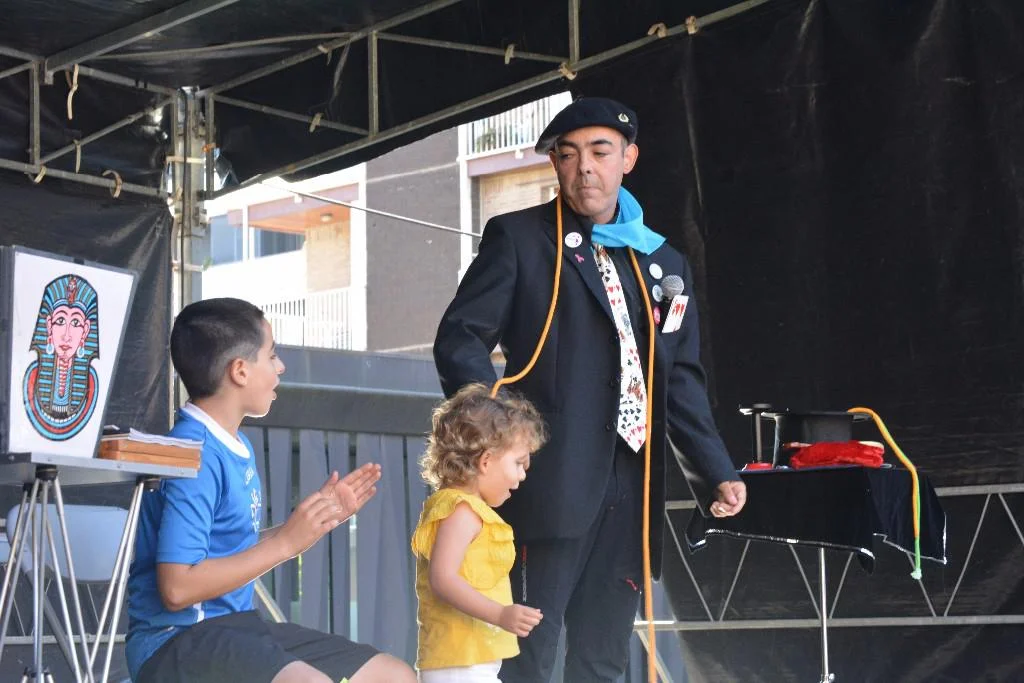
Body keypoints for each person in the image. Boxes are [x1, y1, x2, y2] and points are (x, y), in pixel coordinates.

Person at [433, 97, 748, 682]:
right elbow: (460, 337)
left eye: (600, 152)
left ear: (629, 158)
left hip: (631, 480)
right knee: (529, 654)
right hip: (550, 475)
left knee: (604, 658)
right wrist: (493, 431)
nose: (584, 168)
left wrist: (715, 470)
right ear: (555, 164)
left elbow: (679, 378)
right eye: (568, 154)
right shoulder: (521, 238)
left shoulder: (662, 260)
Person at [126, 297, 416, 683]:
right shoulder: (194, 454)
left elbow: (227, 551)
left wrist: (307, 525)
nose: (281, 367)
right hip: (175, 640)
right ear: (240, 371)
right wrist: (286, 544)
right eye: (272, 355)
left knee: (393, 675)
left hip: (236, 628)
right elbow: (177, 588)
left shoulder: (233, 444)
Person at [411, 383, 547, 683]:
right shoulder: (460, 511)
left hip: (470, 663)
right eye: (518, 463)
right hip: (459, 665)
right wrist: (500, 614)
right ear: (485, 461)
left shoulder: (469, 510)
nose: (523, 475)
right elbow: (443, 579)